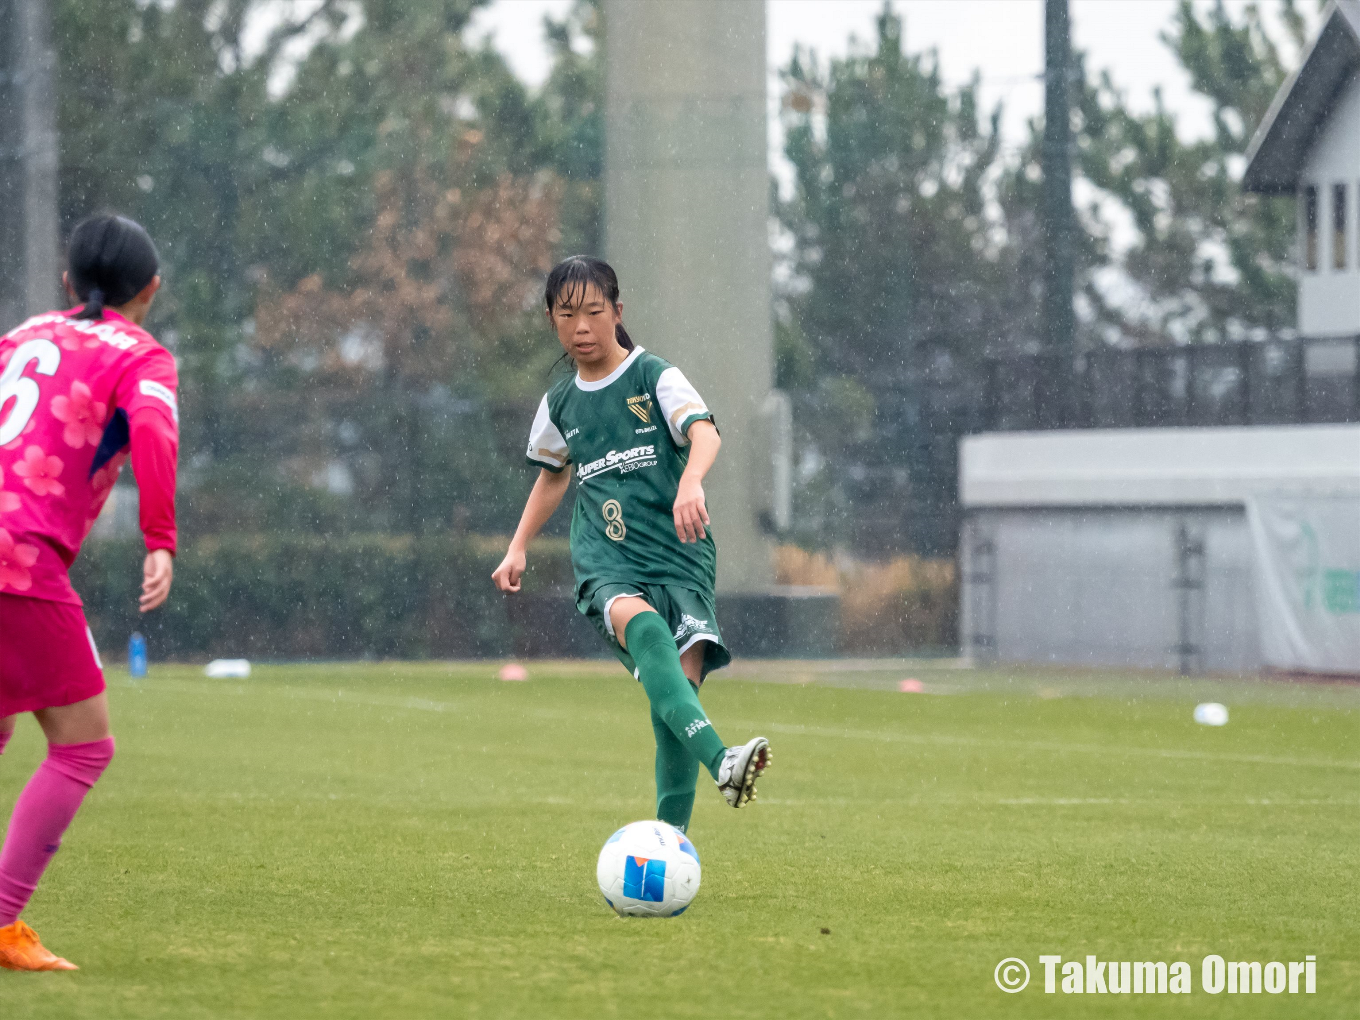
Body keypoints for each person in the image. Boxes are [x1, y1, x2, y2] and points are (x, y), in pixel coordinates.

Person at [492, 256, 769, 834]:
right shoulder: (559, 404)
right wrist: (517, 547)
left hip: (680, 554)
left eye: (595, 312)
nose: (583, 327)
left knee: (675, 705)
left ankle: (671, 848)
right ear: (551, 320)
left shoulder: (654, 377)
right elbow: (552, 474)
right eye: (568, 315)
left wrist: (690, 480)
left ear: (618, 312)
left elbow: (705, 431)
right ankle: (723, 762)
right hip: (606, 557)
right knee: (643, 630)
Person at [0, 214, 178, 971]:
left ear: (69, 283)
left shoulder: (20, 334)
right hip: (18, 552)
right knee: (82, 745)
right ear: (152, 290)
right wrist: (159, 537)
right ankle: (2, 922)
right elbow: (154, 433)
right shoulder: (142, 354)